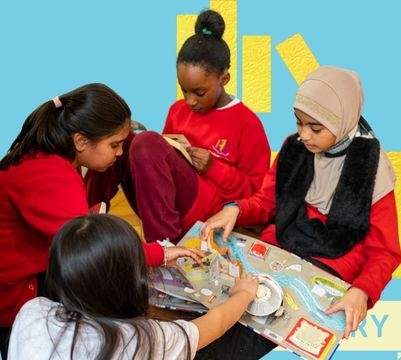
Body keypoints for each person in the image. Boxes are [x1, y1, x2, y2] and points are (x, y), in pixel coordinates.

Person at [0, 83, 203, 359]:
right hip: (12, 296)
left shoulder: (54, 155)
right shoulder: (51, 176)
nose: (119, 153)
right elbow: (94, 250)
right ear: (81, 141)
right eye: (114, 145)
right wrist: (160, 252)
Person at [201, 65, 401, 339]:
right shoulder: (294, 148)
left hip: (331, 265)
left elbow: (385, 253)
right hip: (280, 249)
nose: (304, 135)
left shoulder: (372, 169)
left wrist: (362, 290)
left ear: (342, 121)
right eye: (299, 122)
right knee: (215, 302)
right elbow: (266, 203)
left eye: (315, 127)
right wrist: (236, 209)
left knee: (253, 333)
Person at [84, 8, 271, 244]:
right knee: (120, 140)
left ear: (224, 79)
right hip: (165, 208)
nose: (190, 100)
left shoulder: (247, 123)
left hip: (207, 213)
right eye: (185, 90)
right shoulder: (177, 110)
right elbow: (155, 173)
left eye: (199, 92)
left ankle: (164, 249)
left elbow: (254, 199)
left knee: (146, 142)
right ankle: (82, 221)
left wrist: (213, 167)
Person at [7, 213, 260, 360]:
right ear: (130, 282)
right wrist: (244, 293)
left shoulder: (33, 311)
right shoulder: (141, 339)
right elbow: (213, 325)